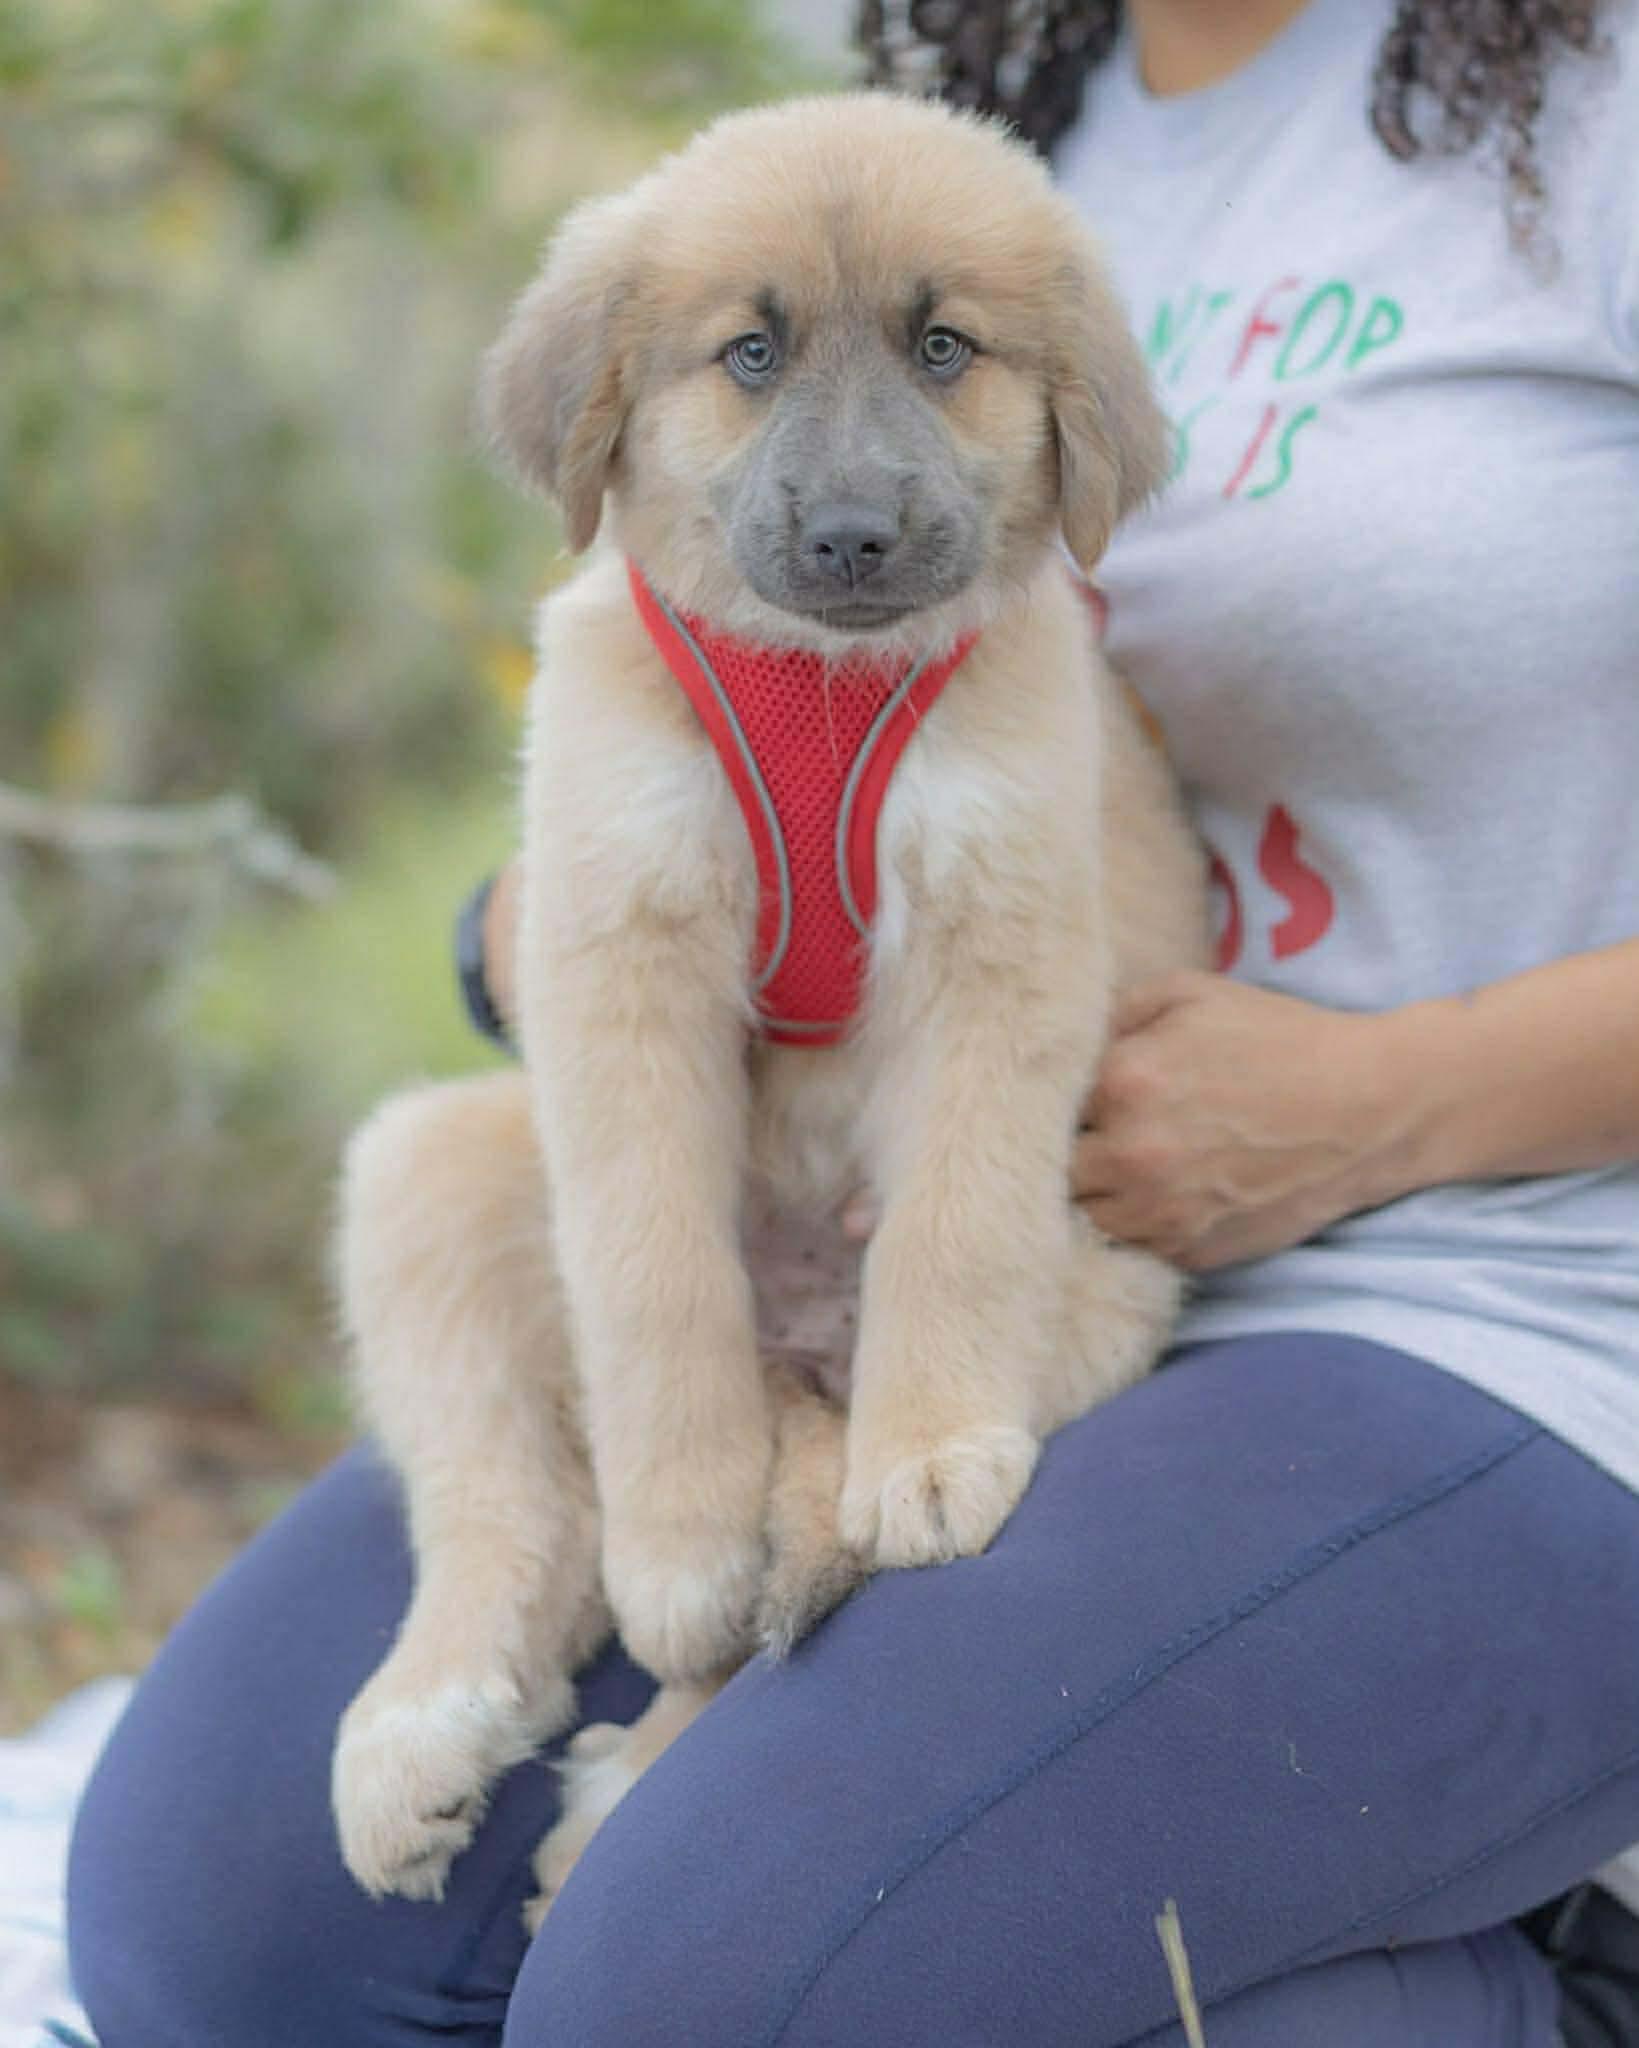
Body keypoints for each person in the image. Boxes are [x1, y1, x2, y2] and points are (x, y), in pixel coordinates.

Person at [66, 2, 1639, 2042]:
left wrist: (1394, 1102)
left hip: (1498, 1300)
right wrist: (570, 929)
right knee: (239, 1941)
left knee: (707, 1995)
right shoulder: (972, 126)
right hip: (887, 1215)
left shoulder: (1597, 114)